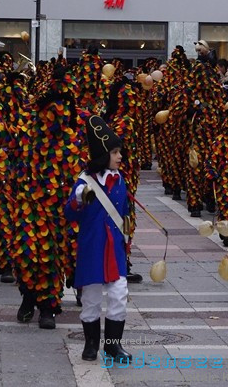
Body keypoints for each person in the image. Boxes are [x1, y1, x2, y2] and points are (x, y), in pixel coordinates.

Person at [65, 115, 132, 364]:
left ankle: (113, 347)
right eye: (115, 152)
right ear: (104, 155)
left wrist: (127, 242)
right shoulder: (84, 182)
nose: (120, 156)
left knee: (118, 295)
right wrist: (80, 199)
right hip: (93, 248)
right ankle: (91, 344)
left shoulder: (120, 180)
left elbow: (123, 212)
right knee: (91, 299)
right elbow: (69, 213)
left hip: (114, 249)